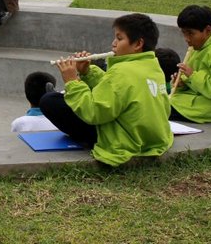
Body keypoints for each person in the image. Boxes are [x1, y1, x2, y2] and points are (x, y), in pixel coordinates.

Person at [39, 13, 173, 167]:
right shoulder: (153, 67)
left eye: (120, 38)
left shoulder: (121, 71)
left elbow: (94, 113)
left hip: (124, 138)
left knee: (50, 102)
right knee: (58, 98)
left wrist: (72, 81)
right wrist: (87, 72)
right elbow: (115, 89)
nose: (113, 43)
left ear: (138, 44)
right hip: (151, 137)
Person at [169, 5, 211, 123]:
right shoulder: (199, 47)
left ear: (208, 30)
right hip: (190, 100)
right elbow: (194, 81)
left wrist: (192, 76)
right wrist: (182, 83)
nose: (186, 39)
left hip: (205, 109)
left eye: (190, 33)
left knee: (154, 110)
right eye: (184, 33)